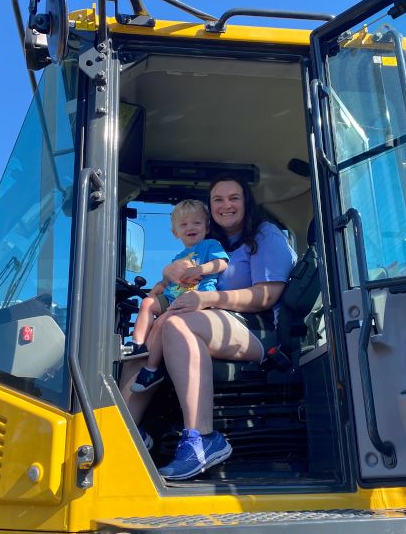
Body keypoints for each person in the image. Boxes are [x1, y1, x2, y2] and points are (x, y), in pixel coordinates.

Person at [121, 176, 297, 480]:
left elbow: (266, 296)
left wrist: (205, 298)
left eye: (234, 198)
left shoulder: (264, 235)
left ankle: (202, 439)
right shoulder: (208, 242)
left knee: (176, 324)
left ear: (246, 202)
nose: (226, 205)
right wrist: (168, 273)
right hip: (211, 317)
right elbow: (176, 274)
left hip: (258, 326)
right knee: (143, 344)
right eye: (218, 199)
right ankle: (122, 435)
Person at [124, 199, 228, 392]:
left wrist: (200, 269)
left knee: (163, 321)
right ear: (175, 233)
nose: (190, 227)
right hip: (173, 296)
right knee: (147, 302)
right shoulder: (177, 258)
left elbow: (222, 263)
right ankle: (137, 344)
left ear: (206, 227)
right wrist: (160, 285)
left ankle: (152, 368)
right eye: (184, 224)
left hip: (197, 296)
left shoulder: (210, 245)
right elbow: (168, 282)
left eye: (196, 223)